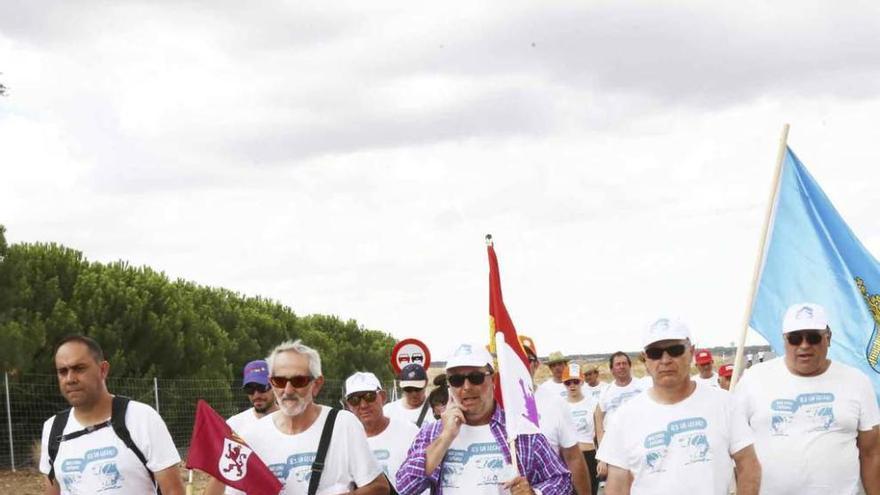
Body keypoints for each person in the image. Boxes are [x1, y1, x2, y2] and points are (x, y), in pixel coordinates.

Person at [597, 318, 761, 495]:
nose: (665, 360)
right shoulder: (624, 418)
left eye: (675, 350)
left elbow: (749, 466)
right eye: (655, 353)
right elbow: (617, 488)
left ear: (691, 352)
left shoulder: (724, 403)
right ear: (645, 359)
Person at [734, 303, 880, 494]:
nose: (804, 345)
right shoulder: (752, 381)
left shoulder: (857, 382)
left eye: (813, 337)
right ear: (784, 340)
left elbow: (871, 453)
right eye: (795, 338)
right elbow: (737, 452)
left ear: (828, 338)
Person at [396, 342, 572, 495]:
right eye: (456, 380)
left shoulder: (520, 429)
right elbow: (405, 487)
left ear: (493, 379)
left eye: (476, 377)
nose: (466, 387)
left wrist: (535, 492)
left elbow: (562, 480)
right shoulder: (432, 433)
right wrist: (445, 437)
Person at [39, 335, 184, 495]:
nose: (70, 379)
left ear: (103, 370)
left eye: (79, 368)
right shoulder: (53, 428)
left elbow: (173, 491)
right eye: (62, 371)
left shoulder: (142, 418)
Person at [240, 340, 389, 494]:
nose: (288, 390)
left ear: (317, 384)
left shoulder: (343, 425)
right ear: (271, 383)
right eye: (280, 381)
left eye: (299, 381)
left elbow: (379, 487)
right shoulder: (251, 437)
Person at [520, 336, 592, 495]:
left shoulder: (555, 403)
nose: (520, 364)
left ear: (536, 364)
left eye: (527, 359)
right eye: (515, 357)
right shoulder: (492, 406)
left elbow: (573, 457)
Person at [205, 359, 279, 495]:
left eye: (262, 387)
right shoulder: (233, 425)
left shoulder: (292, 424)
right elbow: (219, 473)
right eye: (250, 389)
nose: (256, 395)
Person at [345, 371, 421, 494]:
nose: (363, 405)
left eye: (369, 396)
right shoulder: (344, 442)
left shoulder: (410, 432)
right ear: (348, 405)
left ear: (383, 397)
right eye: (354, 400)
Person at [595, 351, 649, 480]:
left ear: (630, 366)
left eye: (624, 363)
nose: (621, 366)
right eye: (617, 364)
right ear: (612, 369)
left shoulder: (643, 386)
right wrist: (602, 458)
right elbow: (599, 426)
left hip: (641, 445)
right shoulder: (605, 392)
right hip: (616, 449)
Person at [563, 363, 600, 495]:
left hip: (589, 455)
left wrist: (602, 460)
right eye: (568, 382)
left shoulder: (593, 403)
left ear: (582, 382)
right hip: (568, 457)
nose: (572, 385)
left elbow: (600, 435)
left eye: (575, 381)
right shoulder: (560, 406)